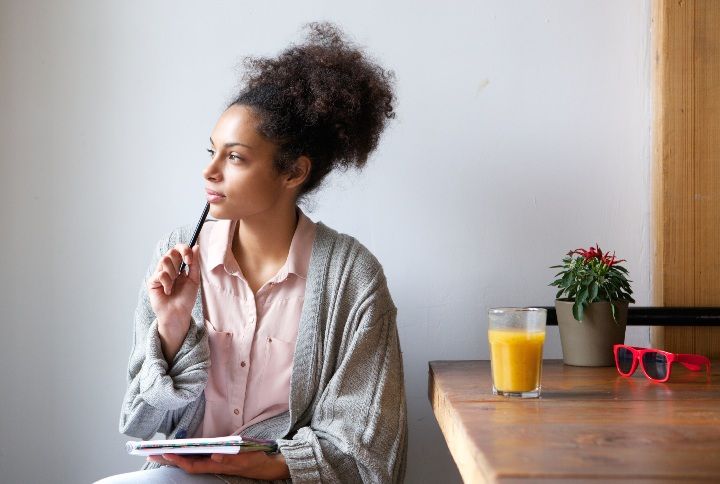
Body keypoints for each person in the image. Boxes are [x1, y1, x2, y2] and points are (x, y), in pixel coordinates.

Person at [96, 23, 407, 484]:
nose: (210, 171)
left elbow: (368, 448)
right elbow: (141, 422)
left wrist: (275, 464)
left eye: (235, 158)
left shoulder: (352, 277)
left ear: (293, 172)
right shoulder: (179, 257)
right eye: (212, 151)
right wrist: (173, 327)